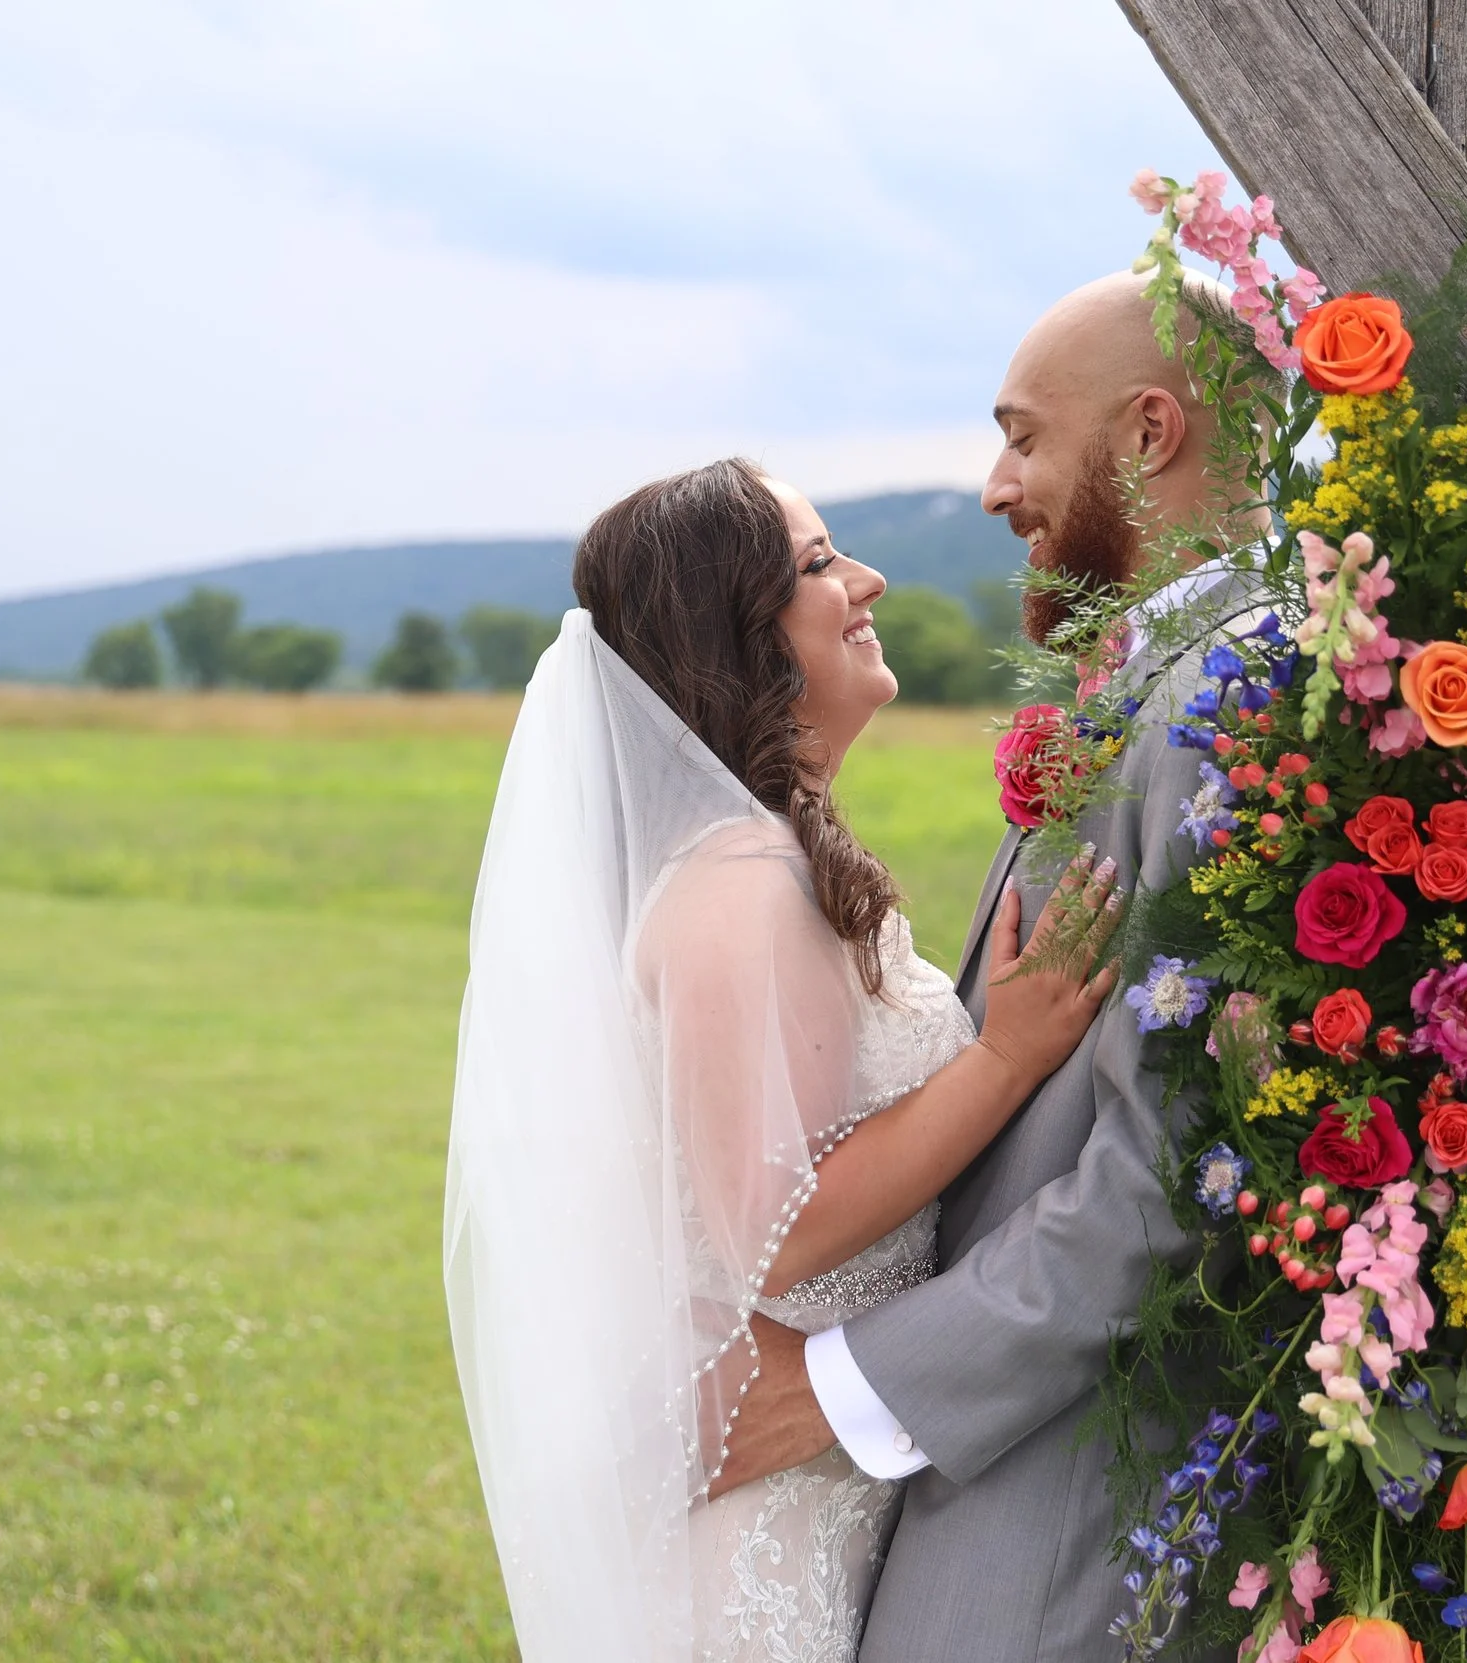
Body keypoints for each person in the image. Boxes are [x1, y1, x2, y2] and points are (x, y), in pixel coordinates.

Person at [444, 456, 1126, 1663]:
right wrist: (1009, 1055)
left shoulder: (769, 855)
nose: (865, 581)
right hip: (765, 1539)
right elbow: (780, 1229)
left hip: (835, 1484)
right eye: (816, 565)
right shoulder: (735, 884)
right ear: (735, 634)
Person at [708, 271, 1260, 1661]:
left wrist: (838, 1387)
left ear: (1147, 435)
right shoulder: (1158, 683)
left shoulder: (1218, 703)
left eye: (1023, 435)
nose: (993, 486)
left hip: (1067, 1491)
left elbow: (1175, 1165)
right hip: (997, 1444)